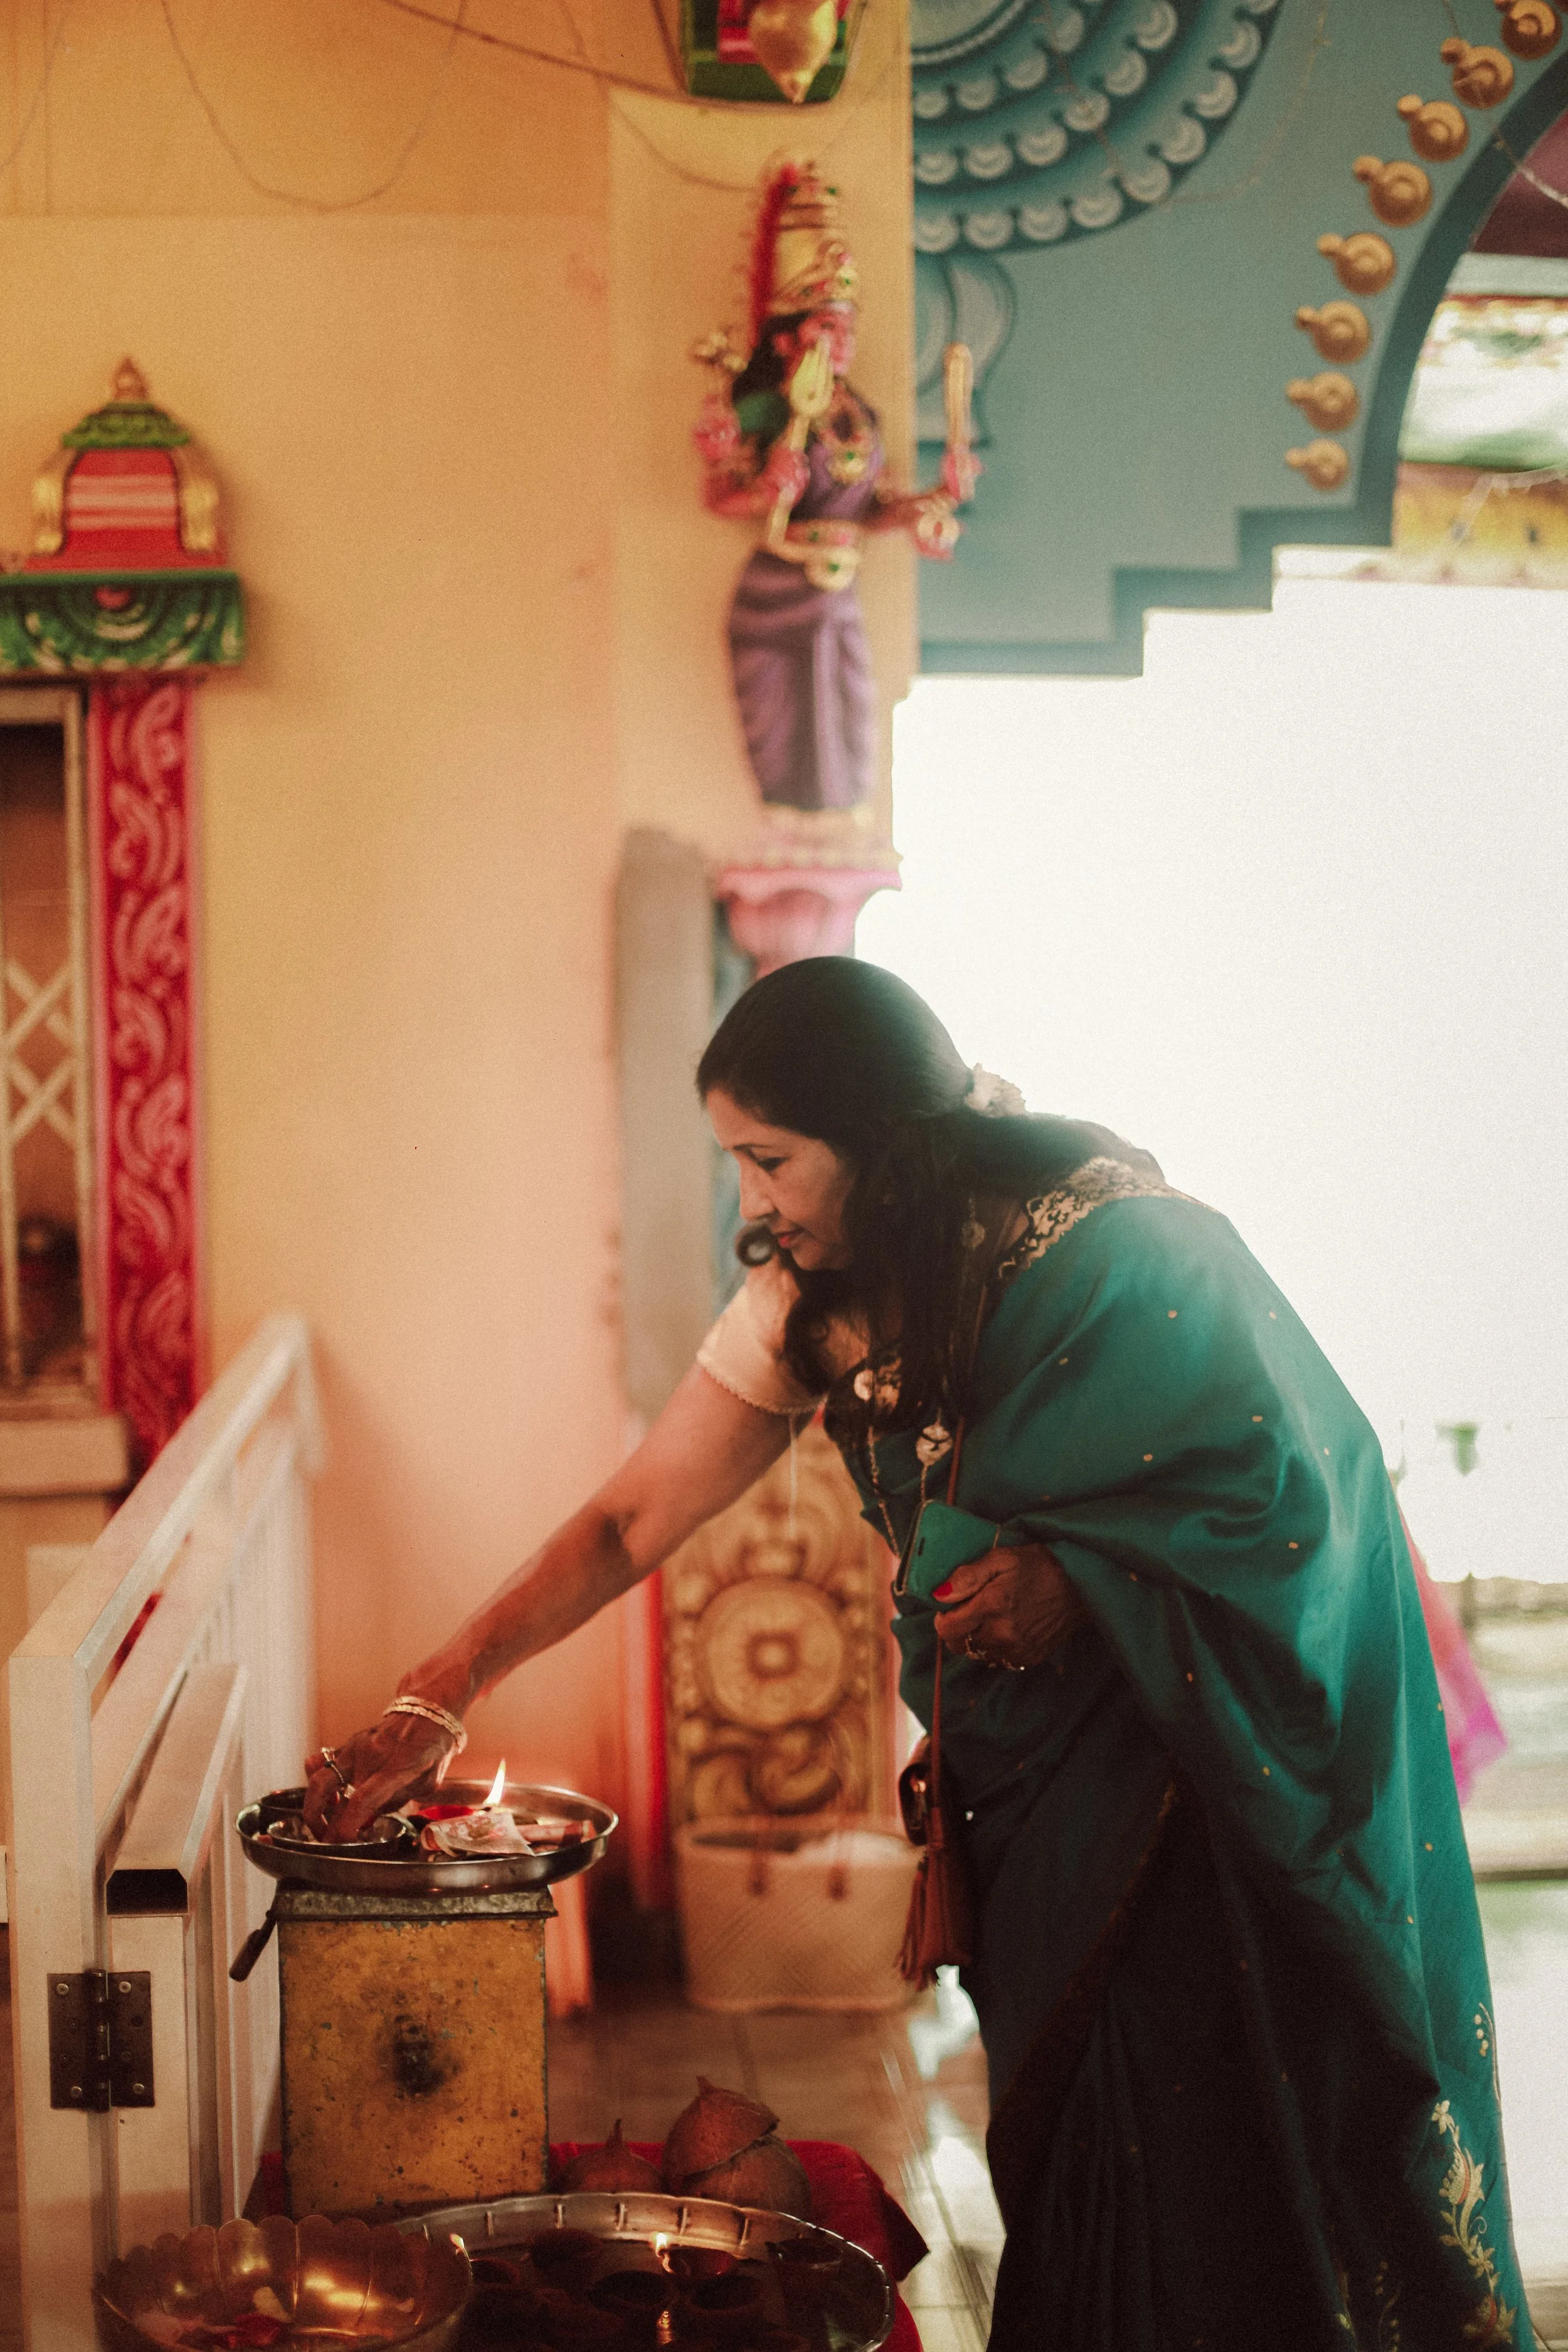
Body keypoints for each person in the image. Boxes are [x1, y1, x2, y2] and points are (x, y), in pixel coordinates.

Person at [304, 957, 1530, 2352]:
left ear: (878, 1143)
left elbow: (1305, 1488)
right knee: (1084, 2163)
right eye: (734, 1163)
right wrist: (441, 1686)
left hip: (1199, 1801)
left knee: (1229, 2161)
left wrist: (1081, 1581)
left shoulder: (1130, 1250)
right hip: (1035, 1812)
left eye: (768, 1159)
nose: (748, 1201)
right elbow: (630, 1517)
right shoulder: (803, 1297)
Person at [693, 162, 973, 812]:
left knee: (849, 742)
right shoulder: (765, 408)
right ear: (789, 338)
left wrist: (928, 502)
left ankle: (830, 833)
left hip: (839, 592)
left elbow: (870, 508)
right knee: (788, 755)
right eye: (826, 328)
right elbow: (720, 497)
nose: (842, 342)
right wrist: (766, 487)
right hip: (779, 586)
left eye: (846, 327)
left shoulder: (858, 414)